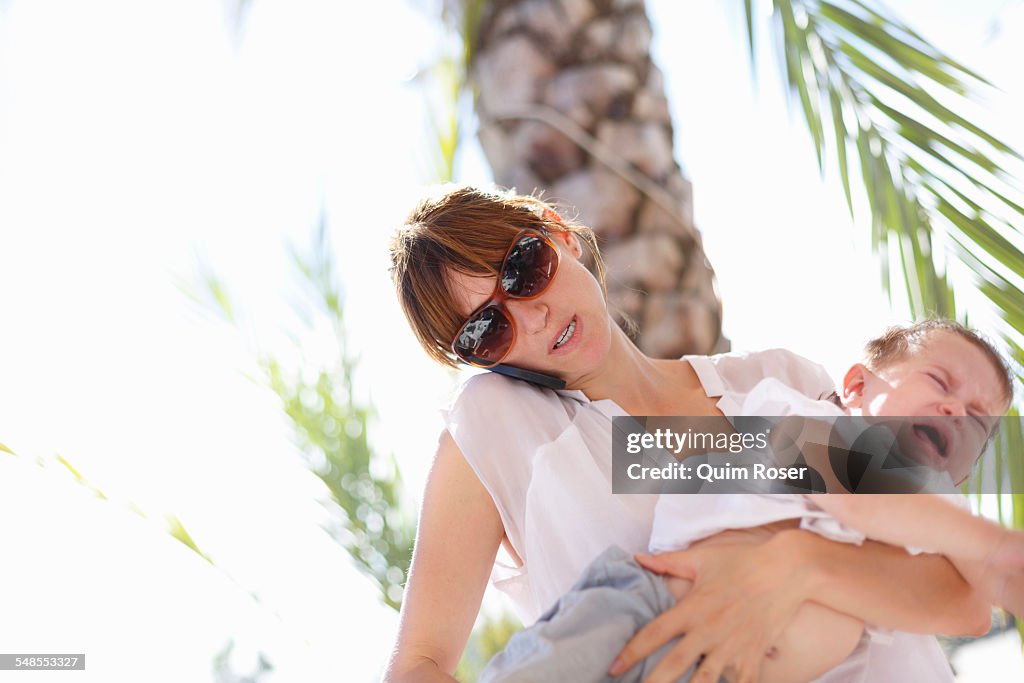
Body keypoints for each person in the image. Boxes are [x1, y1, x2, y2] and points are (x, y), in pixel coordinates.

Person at [381, 187, 994, 683]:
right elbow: (416, 665)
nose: (531, 316)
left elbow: (959, 598)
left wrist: (801, 564)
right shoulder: (501, 426)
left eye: (522, 268)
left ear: (559, 235)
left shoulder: (780, 378)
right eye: (486, 328)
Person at [479, 320, 1022, 683]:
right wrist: (996, 549)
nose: (955, 411)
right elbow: (863, 501)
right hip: (646, 612)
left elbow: (974, 610)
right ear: (855, 386)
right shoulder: (812, 423)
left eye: (979, 419)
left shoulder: (938, 513)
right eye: (939, 381)